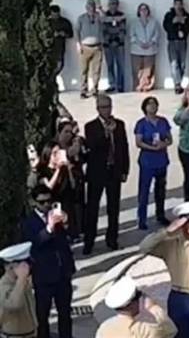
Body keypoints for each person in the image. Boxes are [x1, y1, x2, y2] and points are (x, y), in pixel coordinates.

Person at [139, 201, 189, 338]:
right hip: (179, 297)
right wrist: (167, 231)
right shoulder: (171, 244)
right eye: (187, 221)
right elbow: (144, 247)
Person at [22, 186, 75, 338]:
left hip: (63, 274)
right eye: (42, 202)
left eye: (49, 201)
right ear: (34, 202)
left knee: (65, 314)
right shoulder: (29, 223)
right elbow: (33, 244)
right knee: (42, 317)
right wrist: (49, 229)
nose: (46, 205)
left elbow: (71, 237)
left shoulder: (56, 215)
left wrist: (65, 224)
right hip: (44, 277)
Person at [83, 94, 130, 254]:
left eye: (109, 107)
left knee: (113, 207)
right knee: (92, 208)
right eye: (103, 107)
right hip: (97, 172)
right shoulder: (91, 126)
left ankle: (112, 239)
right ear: (98, 109)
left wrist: (125, 169)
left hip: (114, 171)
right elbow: (93, 147)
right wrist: (105, 134)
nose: (107, 110)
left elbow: (124, 148)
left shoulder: (119, 125)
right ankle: (89, 241)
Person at [134, 96, 173, 229]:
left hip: (161, 160)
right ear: (145, 107)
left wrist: (164, 144)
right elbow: (138, 142)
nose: (153, 107)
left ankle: (160, 214)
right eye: (150, 104)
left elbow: (169, 139)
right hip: (147, 161)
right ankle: (142, 218)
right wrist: (152, 148)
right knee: (144, 190)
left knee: (160, 190)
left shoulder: (163, 121)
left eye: (155, 104)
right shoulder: (141, 124)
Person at [97, 276, 177, 338]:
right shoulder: (145, 329)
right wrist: (153, 308)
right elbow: (172, 331)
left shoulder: (104, 328)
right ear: (132, 304)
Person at [0, 242, 36, 338]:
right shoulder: (4, 284)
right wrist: (21, 278)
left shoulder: (23, 281)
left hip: (30, 333)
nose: (27, 268)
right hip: (14, 335)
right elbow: (14, 305)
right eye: (23, 265)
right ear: (11, 267)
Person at [162, 0, 189, 94]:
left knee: (182, 64)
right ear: (174, 5)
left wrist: (184, 23)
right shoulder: (169, 15)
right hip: (172, 41)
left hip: (182, 41)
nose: (178, 6)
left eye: (180, 4)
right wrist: (173, 22)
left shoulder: (187, 15)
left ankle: (179, 81)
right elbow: (166, 27)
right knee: (174, 63)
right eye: (176, 4)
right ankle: (177, 84)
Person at [74, 0, 104, 99]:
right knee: (84, 70)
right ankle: (83, 90)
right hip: (85, 47)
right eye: (89, 7)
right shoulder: (81, 18)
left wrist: (100, 9)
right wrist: (78, 44)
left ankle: (95, 90)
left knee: (96, 70)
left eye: (93, 7)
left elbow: (106, 19)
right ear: (86, 8)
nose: (91, 9)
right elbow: (77, 31)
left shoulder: (98, 17)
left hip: (97, 47)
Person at [130, 3, 161, 92]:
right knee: (137, 70)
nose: (143, 11)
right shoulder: (134, 22)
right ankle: (137, 87)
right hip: (137, 49)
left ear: (148, 11)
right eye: (141, 10)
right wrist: (140, 44)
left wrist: (150, 43)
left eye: (145, 9)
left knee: (148, 70)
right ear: (138, 12)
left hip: (150, 49)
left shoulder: (154, 22)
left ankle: (147, 86)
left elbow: (157, 34)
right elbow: (132, 35)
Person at [102, 0, 127, 93]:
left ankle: (120, 86)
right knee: (110, 65)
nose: (113, 6)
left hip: (119, 44)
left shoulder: (122, 15)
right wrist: (110, 40)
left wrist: (117, 40)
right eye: (111, 4)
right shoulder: (105, 15)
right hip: (108, 44)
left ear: (117, 5)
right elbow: (103, 29)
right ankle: (112, 85)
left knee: (120, 65)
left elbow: (123, 29)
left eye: (115, 4)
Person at [49, 5, 73, 76]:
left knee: (59, 66)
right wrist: (52, 35)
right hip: (49, 49)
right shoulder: (48, 22)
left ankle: (52, 78)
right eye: (53, 15)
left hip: (60, 49)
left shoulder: (65, 22)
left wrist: (64, 34)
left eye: (57, 15)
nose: (55, 16)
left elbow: (71, 35)